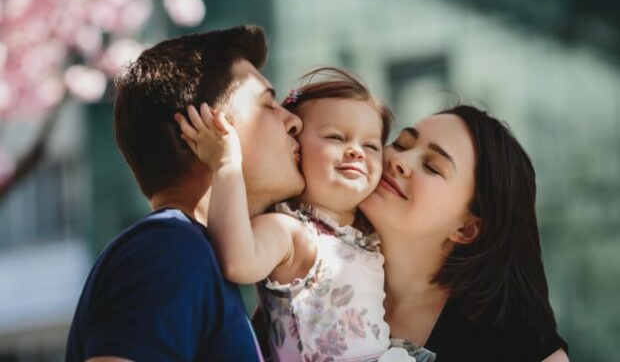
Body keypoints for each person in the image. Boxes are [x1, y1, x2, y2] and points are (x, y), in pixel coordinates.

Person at [65, 26, 305, 361]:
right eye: (268, 105)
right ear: (198, 130)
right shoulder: (169, 250)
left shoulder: (191, 252)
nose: (294, 122)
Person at [176, 67, 436, 361]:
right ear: (296, 148)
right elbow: (238, 263)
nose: (356, 151)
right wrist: (226, 164)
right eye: (336, 137)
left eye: (371, 145)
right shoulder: (292, 232)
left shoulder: (366, 233)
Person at [359, 105, 569, 361]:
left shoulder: (515, 344)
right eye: (401, 144)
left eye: (433, 167)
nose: (399, 160)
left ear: (466, 228)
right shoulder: (316, 264)